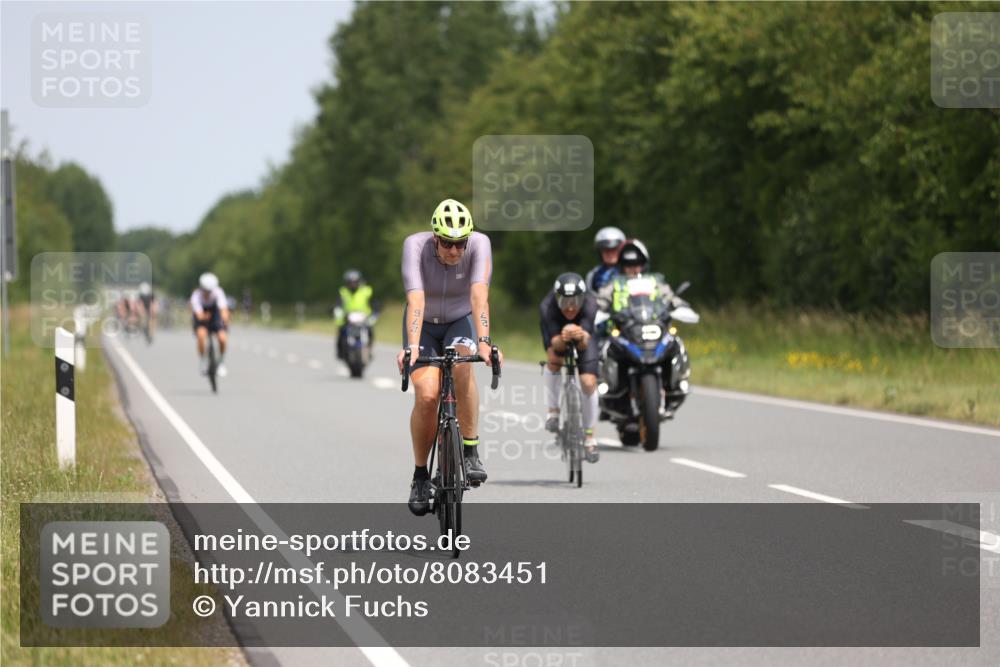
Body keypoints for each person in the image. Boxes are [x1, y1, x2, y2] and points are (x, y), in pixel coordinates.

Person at [397, 198, 502, 516]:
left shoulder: (480, 244)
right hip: (424, 326)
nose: (454, 251)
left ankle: (470, 450)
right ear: (435, 237)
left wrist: (483, 342)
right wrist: (412, 347)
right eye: (447, 243)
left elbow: (479, 297)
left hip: (461, 321)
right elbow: (416, 301)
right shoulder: (415, 246)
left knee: (460, 366)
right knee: (428, 395)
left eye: (460, 244)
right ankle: (419, 476)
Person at [540, 272, 601, 463]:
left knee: (588, 382)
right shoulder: (547, 307)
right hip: (557, 334)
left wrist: (579, 335)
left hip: (583, 336)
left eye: (575, 301)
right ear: (556, 299)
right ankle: (553, 411)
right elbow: (555, 345)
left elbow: (584, 343)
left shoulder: (591, 303)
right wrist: (563, 337)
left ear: (583, 298)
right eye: (565, 302)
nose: (570, 307)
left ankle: (589, 436)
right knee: (554, 360)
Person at [190, 272, 230, 377]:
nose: (207, 293)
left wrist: (225, 320)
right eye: (205, 291)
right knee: (201, 336)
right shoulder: (196, 296)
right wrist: (205, 316)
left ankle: (221, 362)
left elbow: (223, 309)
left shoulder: (219, 292)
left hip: (215, 314)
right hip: (202, 315)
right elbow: (199, 315)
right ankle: (203, 361)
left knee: (222, 338)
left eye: (210, 291)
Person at [334, 269, 380, 360]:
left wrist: (375, 312)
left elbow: (374, 303)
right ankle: (340, 352)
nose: (353, 284)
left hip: (363, 318)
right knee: (341, 332)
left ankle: (369, 348)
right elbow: (338, 305)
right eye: (350, 282)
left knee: (370, 331)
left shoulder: (366, 291)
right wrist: (338, 312)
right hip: (347, 319)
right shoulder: (343, 292)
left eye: (355, 282)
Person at [585, 226, 626, 293]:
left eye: (614, 249)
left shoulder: (630, 271)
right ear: (600, 252)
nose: (610, 253)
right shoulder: (593, 275)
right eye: (606, 250)